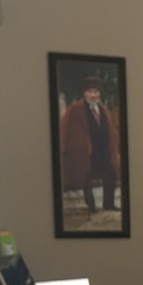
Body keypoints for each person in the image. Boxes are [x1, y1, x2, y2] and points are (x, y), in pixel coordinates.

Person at [59, 74, 120, 213]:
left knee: (110, 172)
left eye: (96, 92)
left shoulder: (103, 109)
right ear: (84, 93)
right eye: (90, 92)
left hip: (103, 149)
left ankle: (108, 203)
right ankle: (91, 206)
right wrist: (64, 147)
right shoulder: (75, 109)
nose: (93, 95)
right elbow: (64, 127)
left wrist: (114, 146)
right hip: (84, 150)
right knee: (86, 177)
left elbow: (110, 129)